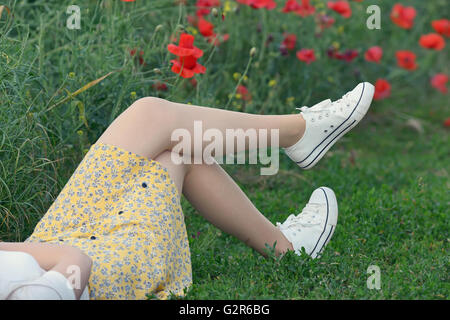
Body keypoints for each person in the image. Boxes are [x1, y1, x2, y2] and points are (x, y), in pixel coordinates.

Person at [1, 81, 375, 300]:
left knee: (152, 116)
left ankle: (298, 143)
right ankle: (287, 233)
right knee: (179, 149)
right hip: (100, 267)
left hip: (52, 239)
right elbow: (73, 269)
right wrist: (61, 271)